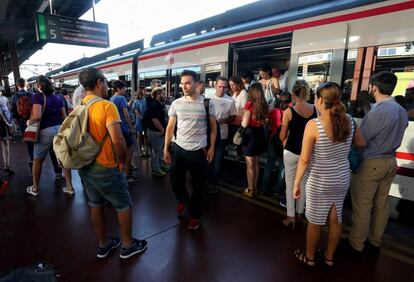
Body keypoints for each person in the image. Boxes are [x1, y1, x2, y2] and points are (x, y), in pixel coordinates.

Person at [293, 82, 366, 266]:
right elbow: (361, 143)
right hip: (342, 178)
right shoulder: (349, 120)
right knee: (336, 219)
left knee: (315, 222)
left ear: (319, 100)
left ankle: (309, 258)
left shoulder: (314, 125)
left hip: (320, 180)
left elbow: (304, 159)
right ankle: (329, 257)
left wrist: (296, 183)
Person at [77, 67, 147, 259]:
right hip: (106, 166)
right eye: (106, 82)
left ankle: (103, 245)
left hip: (85, 166)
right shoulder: (106, 106)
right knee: (123, 204)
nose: (107, 86)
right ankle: (127, 246)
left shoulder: (80, 105)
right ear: (99, 82)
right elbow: (118, 141)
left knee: (95, 204)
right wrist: (123, 163)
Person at [349, 71, 408, 255]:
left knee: (363, 205)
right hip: (391, 161)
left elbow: (362, 140)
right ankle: (375, 240)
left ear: (374, 87)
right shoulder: (400, 110)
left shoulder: (378, 112)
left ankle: (356, 244)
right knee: (381, 204)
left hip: (372, 162)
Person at [164, 70, 217, 230]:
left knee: (198, 185)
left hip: (198, 150)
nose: (184, 86)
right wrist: (166, 148)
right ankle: (182, 199)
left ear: (196, 84)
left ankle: (194, 215)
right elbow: (170, 127)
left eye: (187, 83)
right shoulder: (176, 103)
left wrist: (212, 147)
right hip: (179, 148)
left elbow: (213, 128)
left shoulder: (207, 103)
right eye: (182, 83)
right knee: (175, 180)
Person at [26, 76, 74, 196]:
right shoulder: (58, 98)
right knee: (63, 158)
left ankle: (35, 188)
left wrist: (29, 121)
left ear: (39, 85)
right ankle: (69, 187)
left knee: (38, 160)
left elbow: (37, 116)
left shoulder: (37, 96)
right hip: (59, 129)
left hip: (45, 132)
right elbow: (64, 117)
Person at [279, 80, 317, 228]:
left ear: (294, 94)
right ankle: (300, 213)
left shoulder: (289, 112)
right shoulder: (316, 110)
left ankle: (290, 216)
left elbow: (282, 135)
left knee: (290, 184)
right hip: (308, 153)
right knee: (303, 183)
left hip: (291, 151)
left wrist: (285, 140)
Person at [207, 76, 236, 193]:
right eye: (219, 86)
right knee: (208, 160)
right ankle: (207, 181)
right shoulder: (207, 99)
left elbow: (233, 117)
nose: (221, 89)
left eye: (224, 87)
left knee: (218, 161)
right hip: (208, 135)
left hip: (222, 135)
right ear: (215, 86)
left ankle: (212, 184)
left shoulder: (230, 100)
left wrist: (224, 120)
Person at [241, 83, 268, 198]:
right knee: (256, 163)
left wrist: (242, 119)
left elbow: (245, 123)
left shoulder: (249, 104)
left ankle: (250, 189)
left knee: (250, 165)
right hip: (260, 135)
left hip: (250, 136)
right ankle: (255, 186)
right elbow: (266, 122)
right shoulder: (264, 105)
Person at [110, 80, 138, 182]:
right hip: (125, 128)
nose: (125, 90)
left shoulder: (111, 99)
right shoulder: (121, 98)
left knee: (120, 153)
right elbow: (126, 114)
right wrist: (131, 127)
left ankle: (122, 173)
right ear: (118, 89)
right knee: (129, 151)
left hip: (117, 129)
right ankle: (127, 175)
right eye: (123, 88)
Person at [11, 77, 34, 171]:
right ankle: (37, 158)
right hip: (33, 120)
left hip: (22, 122)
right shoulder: (32, 94)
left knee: (28, 141)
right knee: (36, 139)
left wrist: (17, 122)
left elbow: (13, 113)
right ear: (26, 84)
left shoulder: (14, 97)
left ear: (17, 85)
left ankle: (32, 158)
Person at [145, 87, 168, 176]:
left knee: (159, 150)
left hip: (157, 131)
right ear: (158, 94)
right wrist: (162, 130)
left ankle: (160, 165)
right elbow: (154, 119)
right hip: (155, 131)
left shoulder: (159, 103)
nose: (164, 95)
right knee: (156, 151)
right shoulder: (155, 104)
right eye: (162, 94)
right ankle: (155, 169)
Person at [0, 90, 14, 175]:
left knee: (2, 145)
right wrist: (9, 124)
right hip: (3, 124)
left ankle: (6, 165)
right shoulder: (4, 99)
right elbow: (7, 111)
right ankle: (7, 165)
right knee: (6, 144)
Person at [132, 86, 148, 157]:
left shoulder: (146, 99)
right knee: (139, 136)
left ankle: (146, 150)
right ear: (141, 91)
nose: (146, 92)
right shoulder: (136, 101)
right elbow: (136, 111)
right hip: (139, 121)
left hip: (146, 120)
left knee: (146, 136)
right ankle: (140, 151)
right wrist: (142, 118)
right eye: (145, 90)